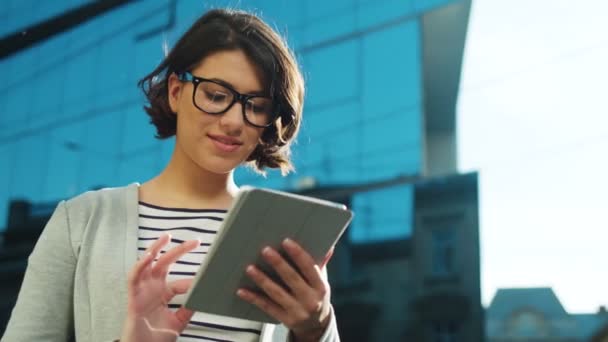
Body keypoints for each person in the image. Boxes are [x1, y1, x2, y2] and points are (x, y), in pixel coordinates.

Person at [2, 8, 340, 342]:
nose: (235, 121)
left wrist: (317, 328)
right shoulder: (81, 222)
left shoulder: (282, 236)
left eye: (256, 106)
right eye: (216, 95)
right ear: (176, 92)